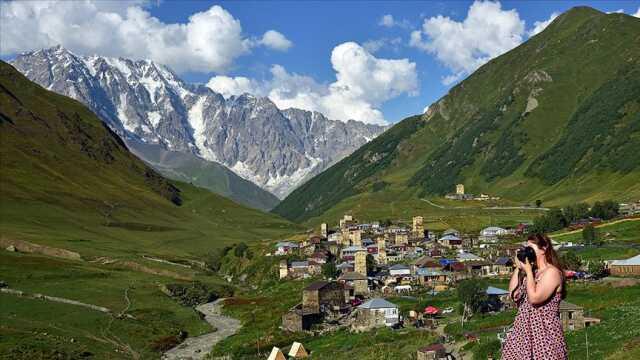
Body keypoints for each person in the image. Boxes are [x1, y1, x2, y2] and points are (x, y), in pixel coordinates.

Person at [501, 233, 568, 360]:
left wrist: (528, 272)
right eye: (527, 248)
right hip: (523, 333)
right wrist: (518, 268)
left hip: (543, 334)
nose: (528, 252)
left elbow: (535, 298)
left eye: (531, 248)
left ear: (544, 249)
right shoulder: (533, 272)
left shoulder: (552, 273)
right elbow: (514, 295)